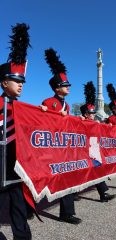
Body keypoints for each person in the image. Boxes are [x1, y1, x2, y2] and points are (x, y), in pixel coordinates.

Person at [41, 48, 81, 224]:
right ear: (57, 87)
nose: (68, 87)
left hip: (64, 149)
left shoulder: (67, 105)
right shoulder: (48, 102)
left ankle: (67, 212)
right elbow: (41, 125)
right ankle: (26, 206)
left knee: (67, 178)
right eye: (66, 85)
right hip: (51, 149)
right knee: (41, 179)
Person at [0, 23, 32, 240]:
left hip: (16, 163)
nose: (21, 85)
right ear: (4, 82)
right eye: (16, 81)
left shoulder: (23, 108)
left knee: (19, 205)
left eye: (22, 81)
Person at [79, 81, 116, 202]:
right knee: (81, 173)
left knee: (96, 171)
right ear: (86, 114)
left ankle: (103, 193)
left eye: (94, 112)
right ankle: (73, 192)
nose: (94, 114)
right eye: (91, 113)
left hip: (94, 153)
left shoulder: (96, 123)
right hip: (83, 152)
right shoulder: (81, 122)